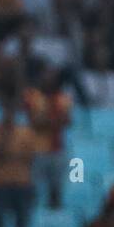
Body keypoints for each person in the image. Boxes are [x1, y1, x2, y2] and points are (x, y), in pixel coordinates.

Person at [0, 100, 38, 227]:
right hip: (1, 181)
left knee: (23, 215)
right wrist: (7, 139)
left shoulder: (26, 132)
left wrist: (12, 153)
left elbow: (29, 156)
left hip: (22, 181)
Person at [23, 64, 72, 210]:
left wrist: (48, 121)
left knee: (56, 188)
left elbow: (67, 121)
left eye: (51, 75)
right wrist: (54, 121)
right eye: (45, 75)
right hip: (36, 149)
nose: (48, 78)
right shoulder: (32, 96)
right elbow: (34, 121)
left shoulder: (64, 98)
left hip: (57, 148)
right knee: (33, 188)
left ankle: (55, 220)